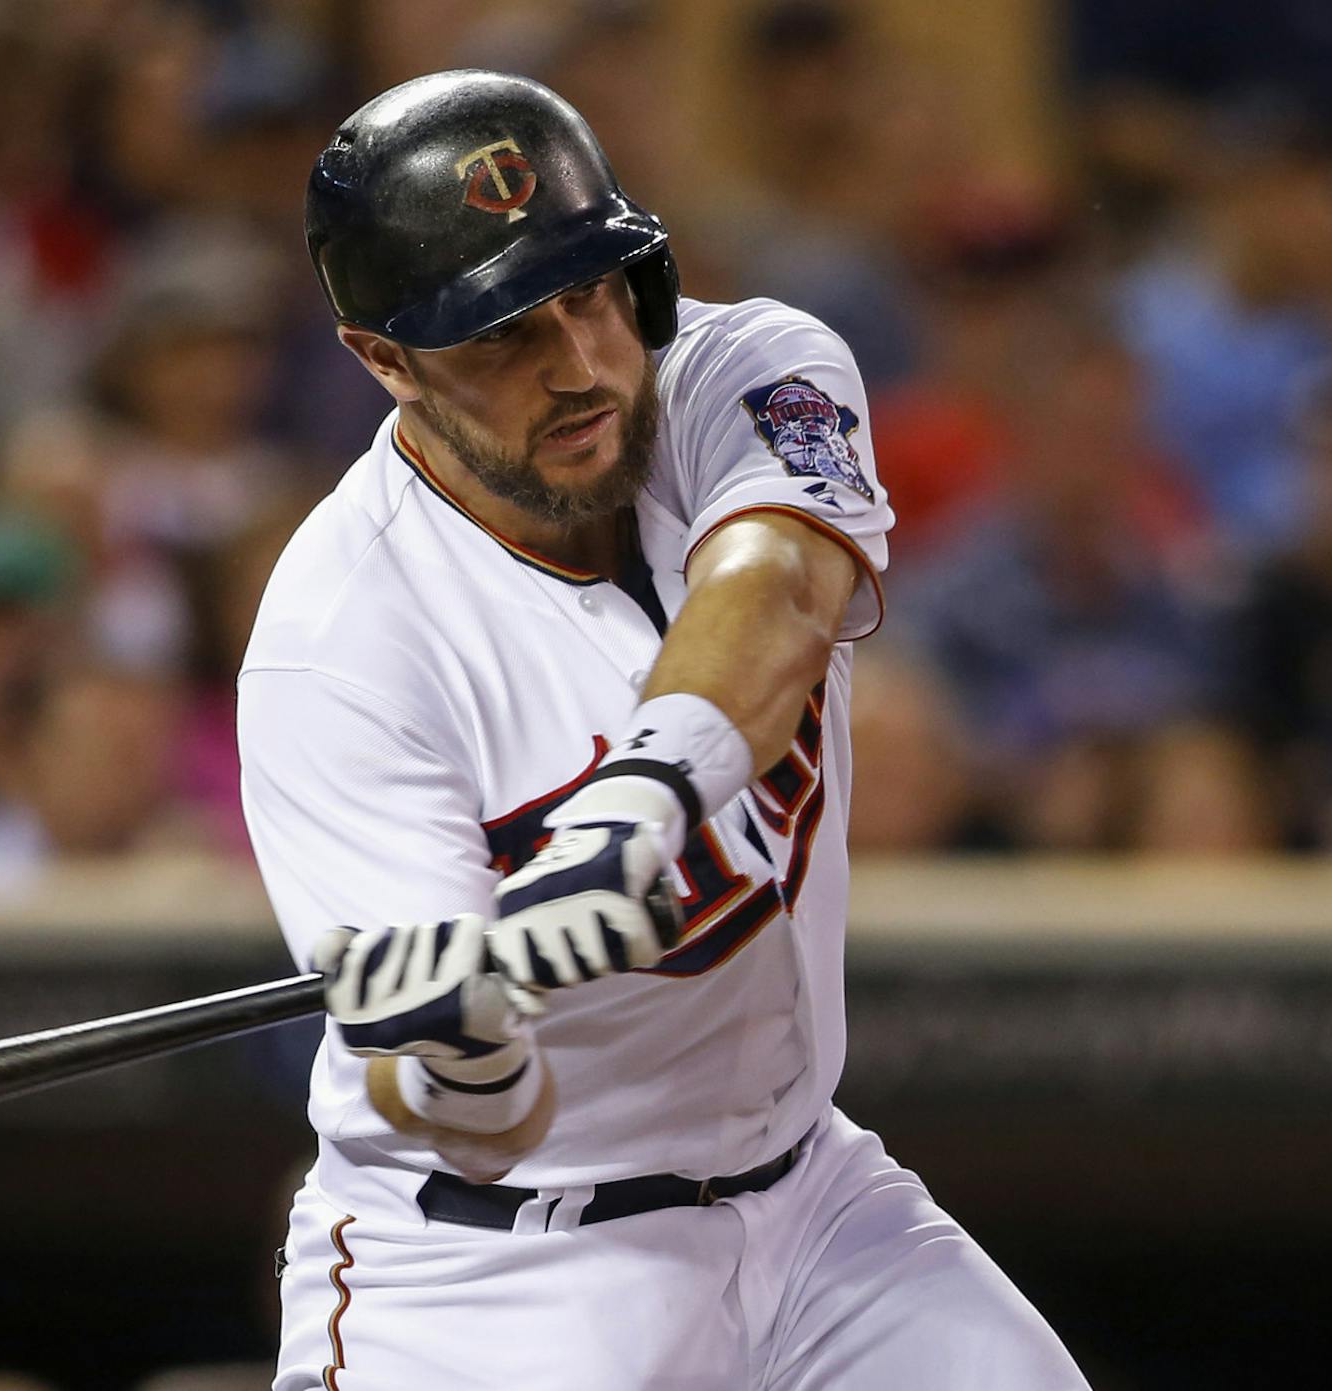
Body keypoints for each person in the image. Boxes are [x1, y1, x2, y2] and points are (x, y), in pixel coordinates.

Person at [241, 72, 1086, 1389]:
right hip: (499, 1276)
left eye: (589, 291)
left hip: (814, 1208)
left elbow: (780, 589)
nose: (578, 367)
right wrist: (467, 1046)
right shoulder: (339, 639)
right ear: (384, 360)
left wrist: (639, 806)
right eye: (501, 333)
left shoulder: (744, 364)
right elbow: (446, 1098)